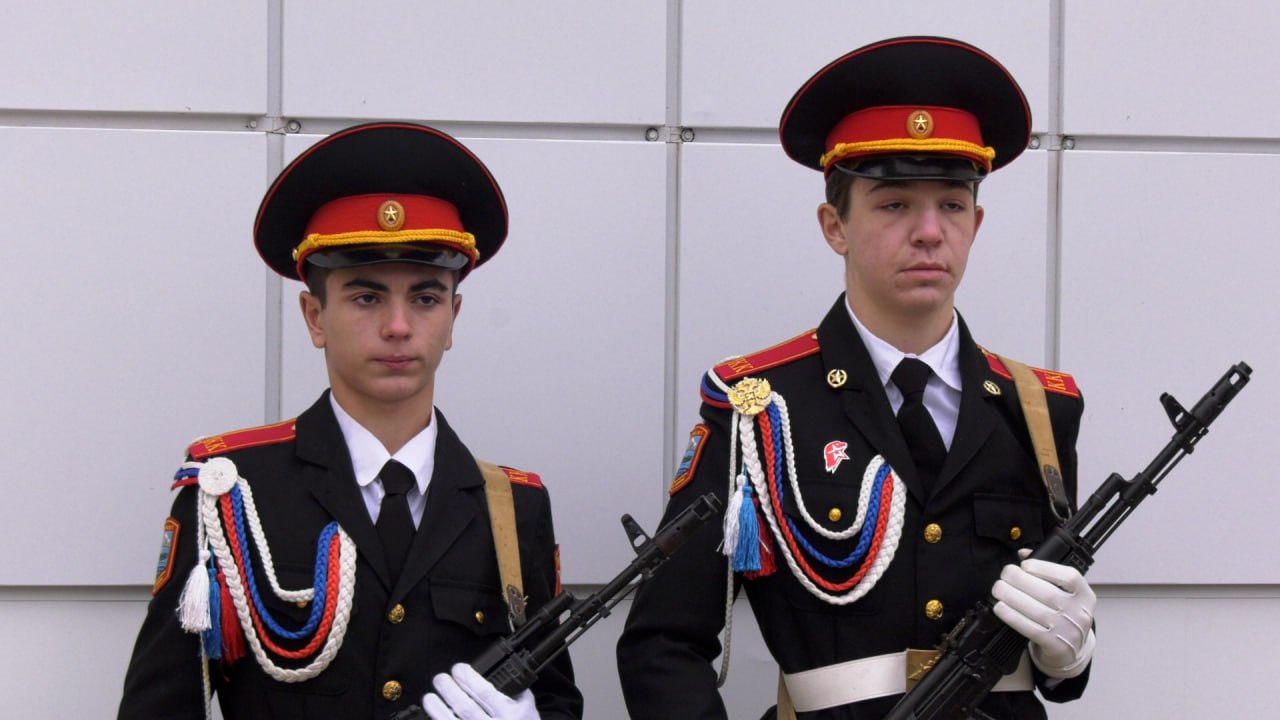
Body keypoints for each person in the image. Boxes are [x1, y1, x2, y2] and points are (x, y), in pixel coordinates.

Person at [616, 36, 1096, 719]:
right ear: (834, 226)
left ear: (977, 222)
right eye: (894, 204)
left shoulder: (1039, 411)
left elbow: (1057, 670)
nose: (929, 232)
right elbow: (663, 641)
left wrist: (1069, 651)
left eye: (952, 204)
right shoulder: (760, 409)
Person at [118, 122, 583, 720]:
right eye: (366, 298)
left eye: (425, 298)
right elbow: (160, 705)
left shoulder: (512, 509)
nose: (398, 326)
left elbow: (556, 697)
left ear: (453, 316)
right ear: (315, 316)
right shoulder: (233, 495)